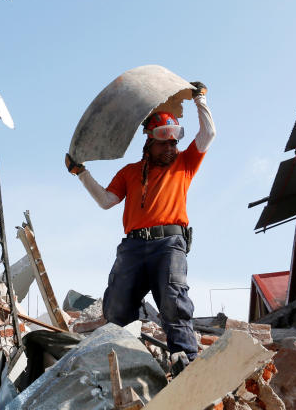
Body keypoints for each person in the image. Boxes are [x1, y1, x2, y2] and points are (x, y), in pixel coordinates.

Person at [65, 82, 214, 371]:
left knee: (173, 299)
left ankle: (186, 363)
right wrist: (81, 173)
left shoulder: (185, 164)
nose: (172, 146)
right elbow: (107, 201)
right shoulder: (130, 172)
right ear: (149, 142)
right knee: (116, 307)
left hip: (169, 245)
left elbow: (208, 134)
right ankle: (123, 363)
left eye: (174, 141)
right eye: (165, 141)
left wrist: (200, 100)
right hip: (133, 246)